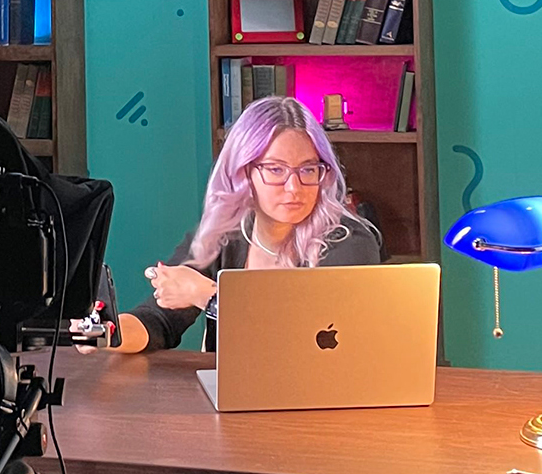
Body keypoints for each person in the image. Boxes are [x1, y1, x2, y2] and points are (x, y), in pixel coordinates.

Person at [114, 95, 381, 353]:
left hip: (316, 394)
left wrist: (208, 296)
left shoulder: (349, 241)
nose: (294, 187)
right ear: (243, 173)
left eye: (308, 170)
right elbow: (159, 321)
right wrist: (108, 334)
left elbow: (308, 337)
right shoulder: (224, 234)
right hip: (230, 393)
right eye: (276, 170)